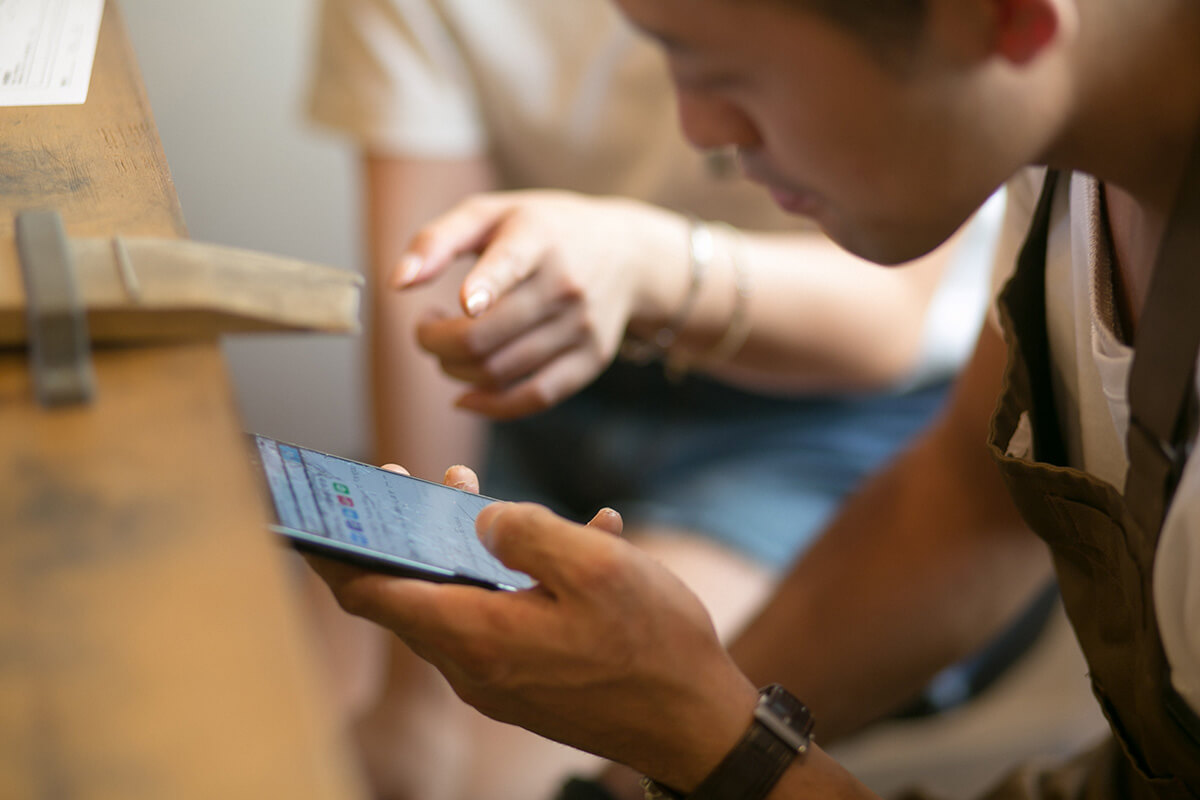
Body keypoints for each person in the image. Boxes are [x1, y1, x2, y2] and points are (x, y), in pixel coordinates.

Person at [308, 1, 1200, 800]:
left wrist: (699, 730)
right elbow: (968, 503)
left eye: (723, 75)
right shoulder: (1058, 157)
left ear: (1003, 20)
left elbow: (891, 336)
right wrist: (633, 769)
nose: (704, 134)